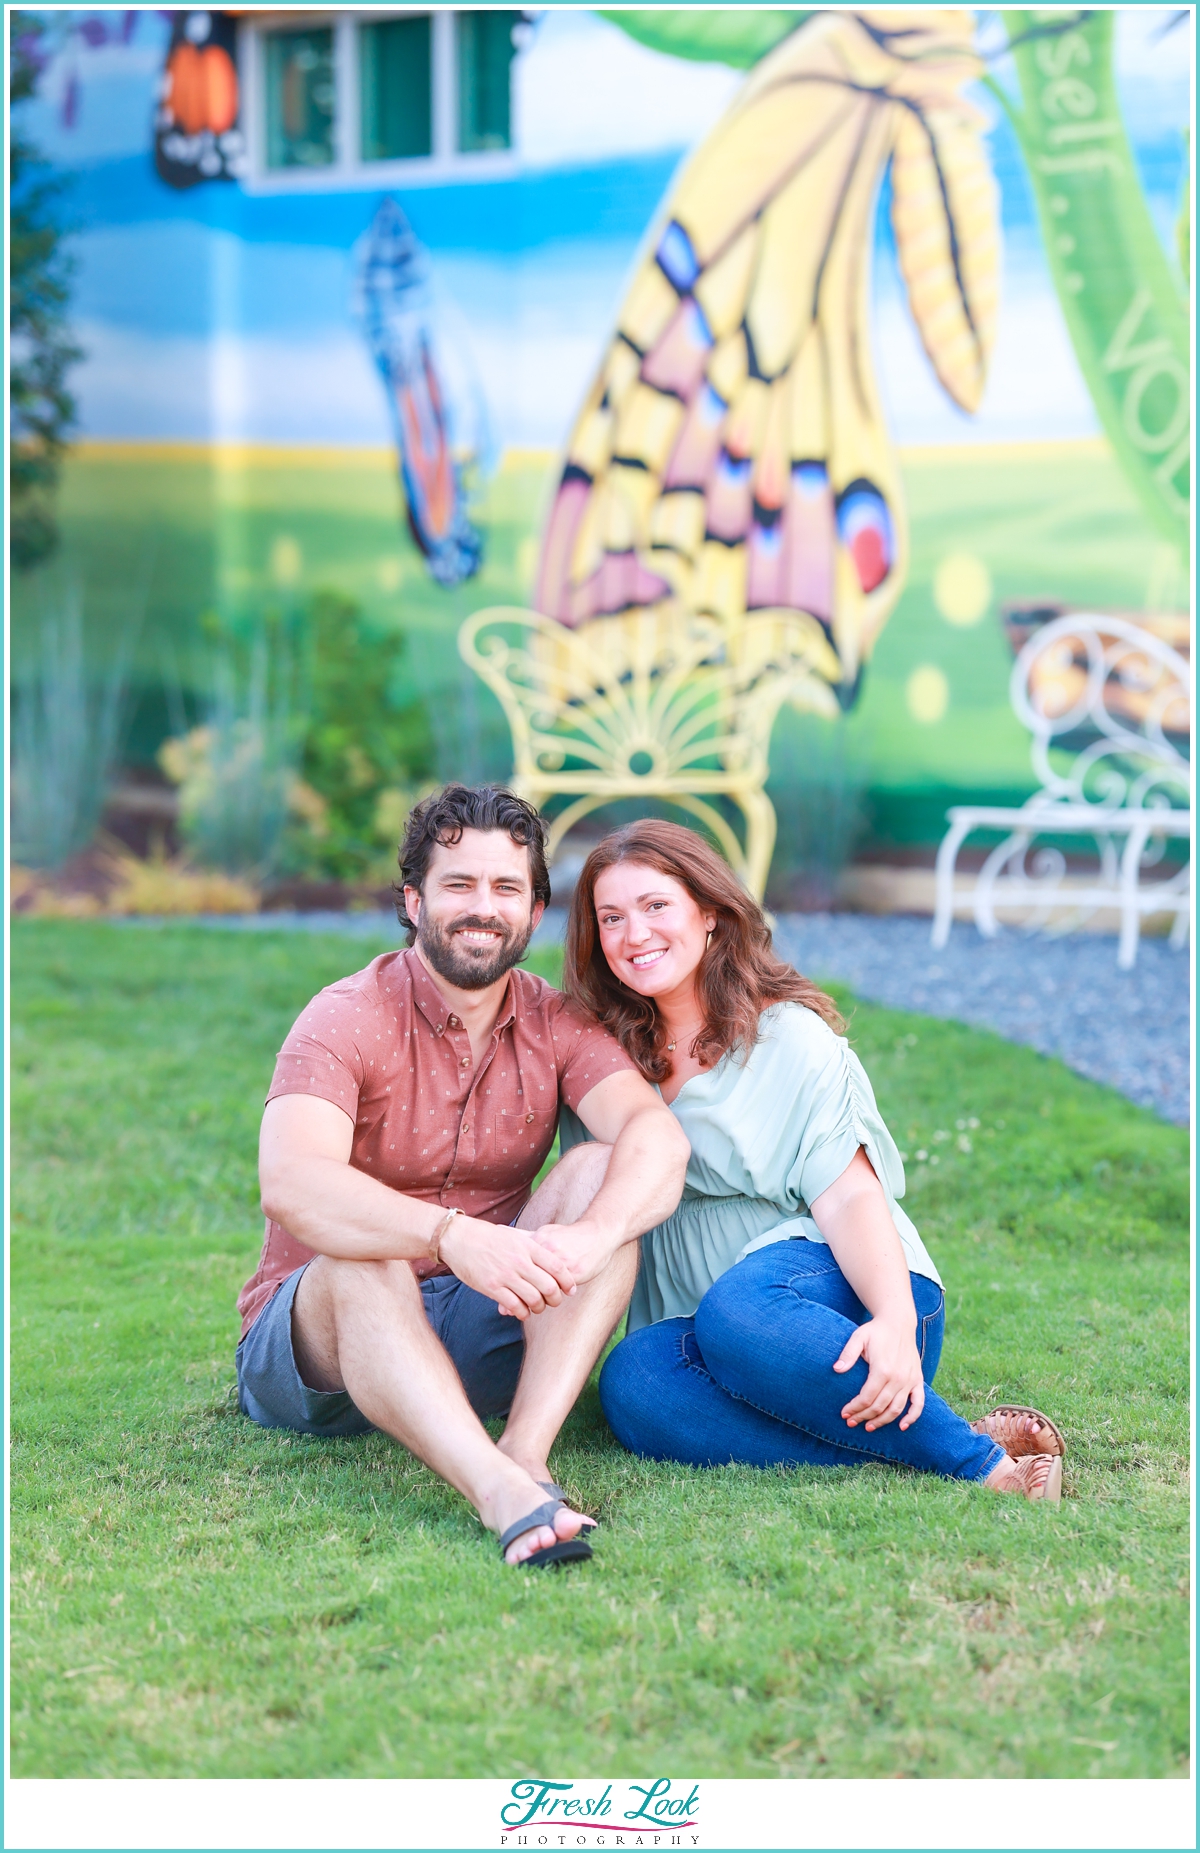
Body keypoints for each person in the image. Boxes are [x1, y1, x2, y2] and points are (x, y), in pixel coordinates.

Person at [237, 786, 690, 1568]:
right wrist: (452, 1235)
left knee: (598, 1176)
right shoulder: (343, 1015)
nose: (483, 907)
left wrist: (592, 1238)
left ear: (535, 909)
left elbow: (655, 1136)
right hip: (324, 1353)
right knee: (363, 1254)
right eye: (459, 885)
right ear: (414, 900)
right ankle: (502, 1494)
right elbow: (292, 1180)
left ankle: (526, 1450)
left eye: (506, 888)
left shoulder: (555, 1021)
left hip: (474, 1330)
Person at [560, 819, 1065, 1501]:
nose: (634, 933)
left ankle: (980, 1465)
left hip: (844, 1301)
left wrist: (891, 1319)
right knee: (634, 1382)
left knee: (737, 1307)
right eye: (611, 916)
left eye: (656, 906)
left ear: (709, 913)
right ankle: (915, 1447)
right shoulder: (600, 1057)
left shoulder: (787, 1036)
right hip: (710, 1338)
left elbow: (852, 1197)